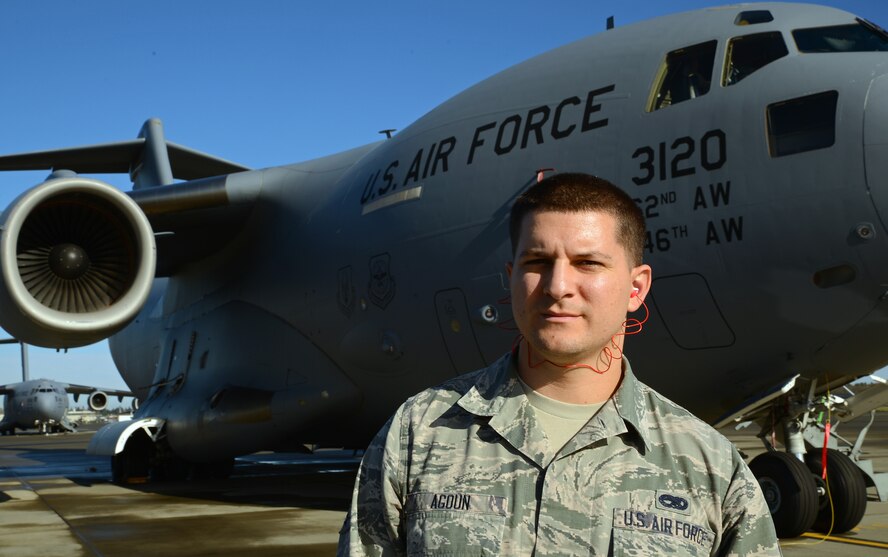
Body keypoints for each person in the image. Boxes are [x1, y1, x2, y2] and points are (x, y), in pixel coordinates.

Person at [338, 173, 780, 556]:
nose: (558, 286)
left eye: (588, 263)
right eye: (537, 262)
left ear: (636, 288)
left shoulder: (709, 466)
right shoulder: (420, 432)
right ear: (511, 278)